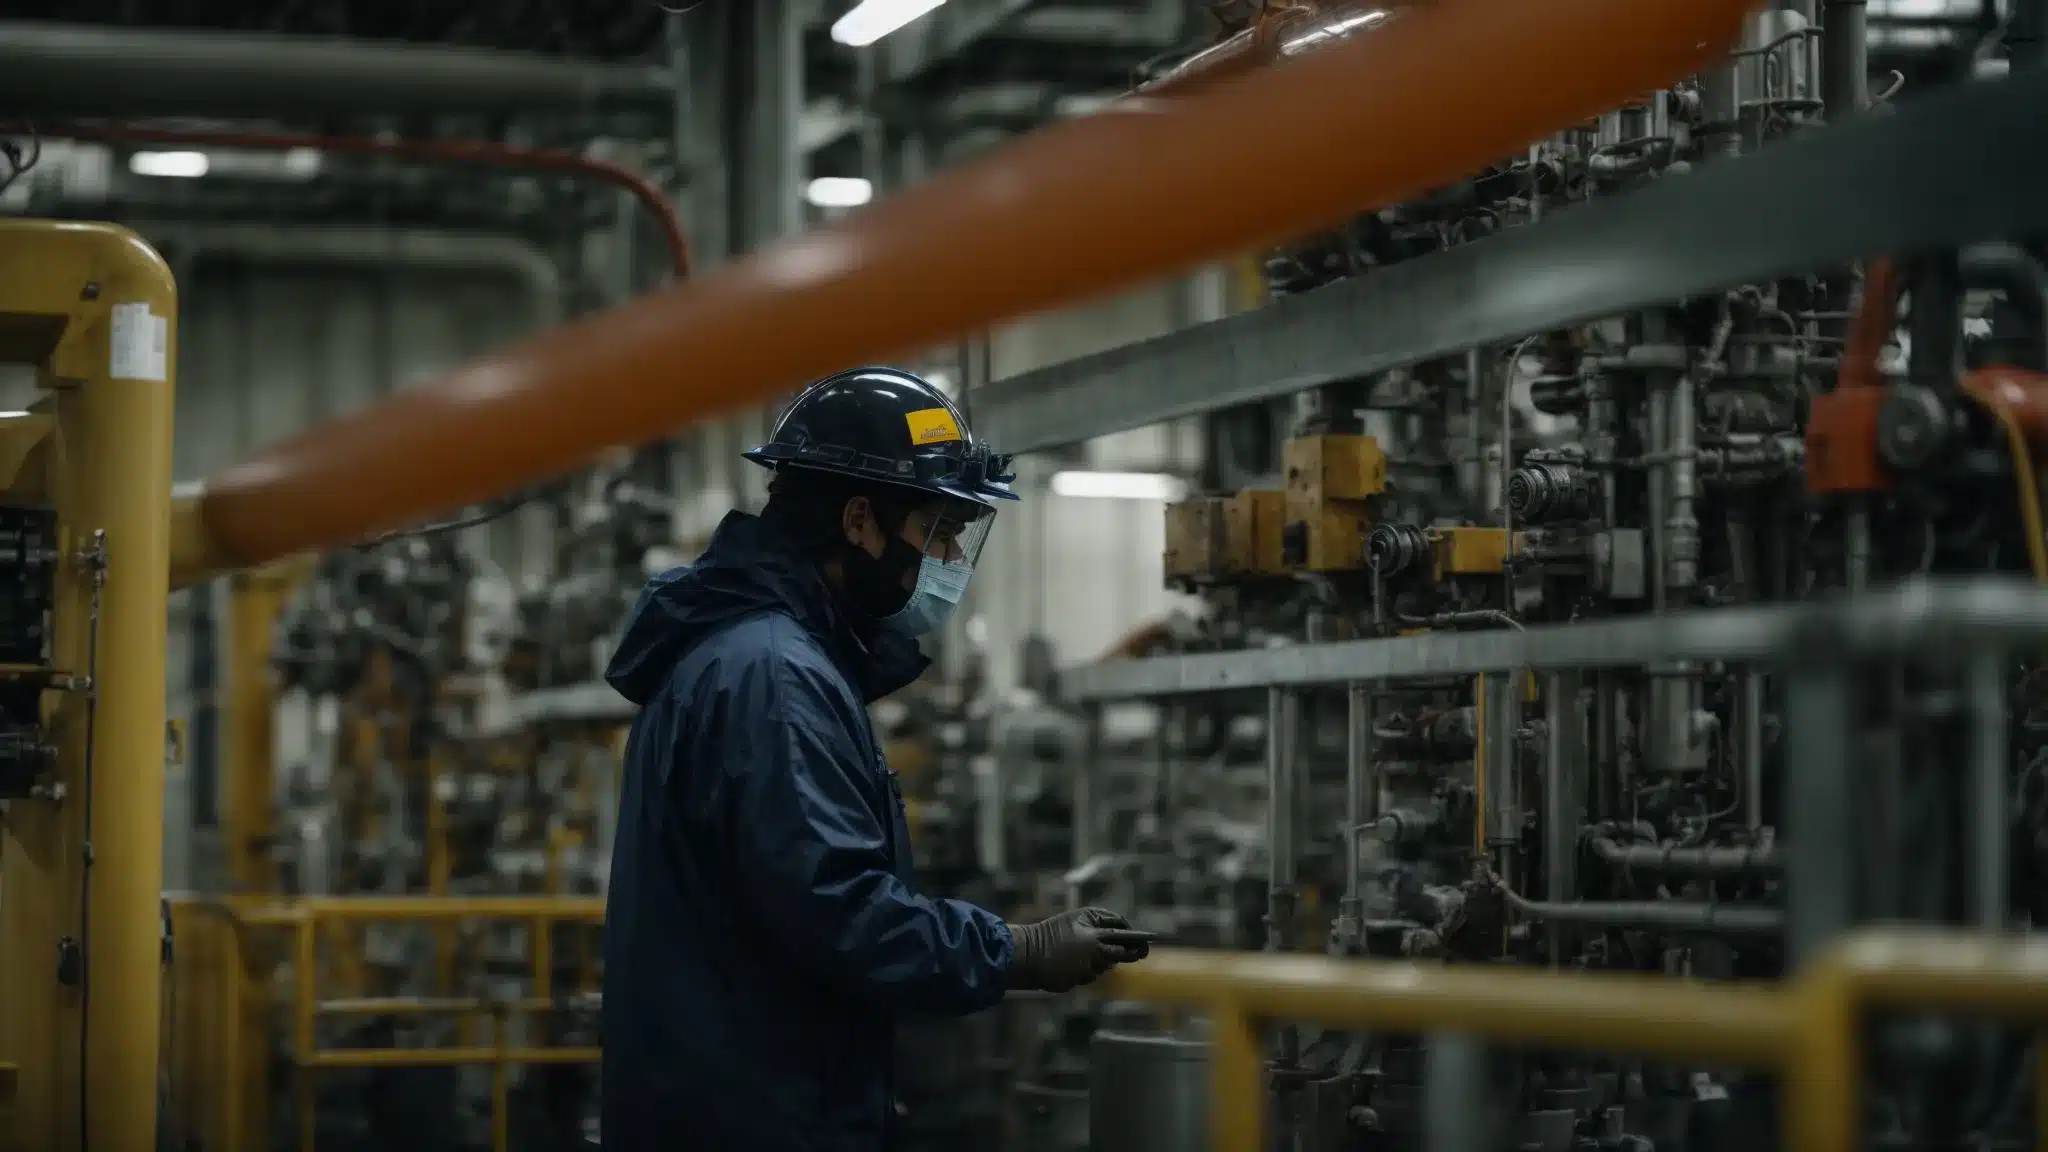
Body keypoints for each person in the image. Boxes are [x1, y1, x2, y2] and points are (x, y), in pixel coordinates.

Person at [599, 367, 1151, 1152]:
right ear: (860, 519)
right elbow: (839, 912)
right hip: (759, 1114)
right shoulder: (773, 676)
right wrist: (1017, 952)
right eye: (938, 531)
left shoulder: (754, 655)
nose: (953, 556)